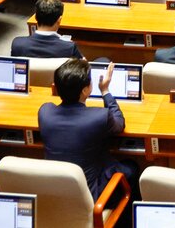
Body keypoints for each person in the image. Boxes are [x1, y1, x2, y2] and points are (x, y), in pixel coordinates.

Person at [39, 59, 136, 196]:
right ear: (85, 90)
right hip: (89, 196)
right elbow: (119, 124)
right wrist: (105, 91)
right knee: (132, 168)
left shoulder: (45, 112)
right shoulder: (99, 116)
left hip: (54, 192)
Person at [11, 0, 82, 58]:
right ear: (59, 20)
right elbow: (81, 67)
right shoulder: (69, 47)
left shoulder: (17, 44)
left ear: (35, 17)